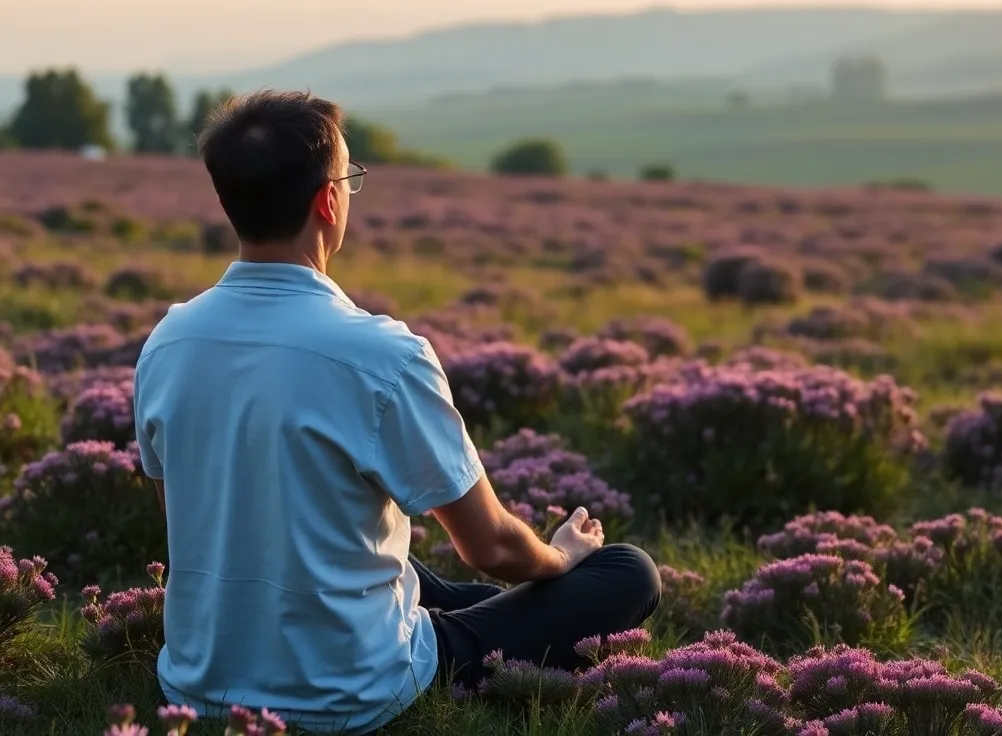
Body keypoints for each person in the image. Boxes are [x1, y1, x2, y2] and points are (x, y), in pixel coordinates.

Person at [133, 90, 661, 734]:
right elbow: (490, 545)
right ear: (328, 201)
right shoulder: (380, 356)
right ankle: (509, 607)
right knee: (627, 572)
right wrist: (560, 560)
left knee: (372, 557)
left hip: (195, 682)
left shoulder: (169, 340)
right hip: (349, 691)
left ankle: (487, 609)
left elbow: (183, 513)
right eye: (349, 176)